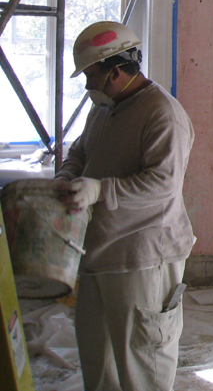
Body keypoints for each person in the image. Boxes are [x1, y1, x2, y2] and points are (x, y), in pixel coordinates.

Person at [55, 20, 195, 391]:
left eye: (90, 76)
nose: (87, 86)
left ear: (115, 72)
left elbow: (163, 185)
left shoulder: (162, 113)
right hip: (99, 250)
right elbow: (81, 151)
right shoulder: (105, 108)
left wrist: (100, 191)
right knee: (97, 358)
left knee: (142, 361)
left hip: (143, 256)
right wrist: (66, 177)